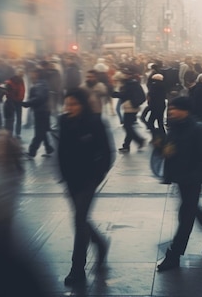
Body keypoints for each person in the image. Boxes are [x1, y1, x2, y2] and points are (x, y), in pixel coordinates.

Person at [156, 96, 202, 271]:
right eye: (171, 108)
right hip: (180, 177)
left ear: (186, 110)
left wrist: (194, 177)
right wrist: (162, 147)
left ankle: (173, 255)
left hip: (192, 180)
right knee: (192, 210)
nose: (171, 111)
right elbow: (171, 151)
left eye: (175, 108)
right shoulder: (175, 126)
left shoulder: (197, 128)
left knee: (186, 217)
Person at [58, 88, 113, 286]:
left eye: (73, 104)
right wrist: (63, 175)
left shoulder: (95, 122)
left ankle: (77, 268)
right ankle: (100, 243)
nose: (69, 108)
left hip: (88, 180)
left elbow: (107, 152)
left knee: (79, 219)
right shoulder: (64, 121)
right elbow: (61, 150)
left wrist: (97, 175)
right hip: (71, 180)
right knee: (81, 220)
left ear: (82, 104)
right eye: (67, 104)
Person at [112, 67, 146, 153]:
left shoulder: (129, 84)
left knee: (127, 126)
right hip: (132, 107)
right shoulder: (133, 82)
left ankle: (139, 140)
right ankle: (126, 146)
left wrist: (113, 93)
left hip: (130, 108)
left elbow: (124, 95)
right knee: (128, 126)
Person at [22, 68, 54, 158]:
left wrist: (27, 103)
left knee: (39, 133)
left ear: (37, 74)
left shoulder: (40, 85)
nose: (31, 75)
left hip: (41, 112)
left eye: (33, 73)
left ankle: (32, 152)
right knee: (42, 131)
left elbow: (39, 98)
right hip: (43, 111)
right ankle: (48, 148)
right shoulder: (42, 83)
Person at [3, 69, 26, 138]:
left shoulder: (21, 80)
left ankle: (17, 133)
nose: (21, 75)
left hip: (19, 102)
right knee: (12, 119)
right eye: (20, 73)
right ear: (17, 73)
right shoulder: (12, 81)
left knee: (18, 118)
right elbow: (7, 90)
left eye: (22, 73)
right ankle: (11, 134)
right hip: (13, 102)